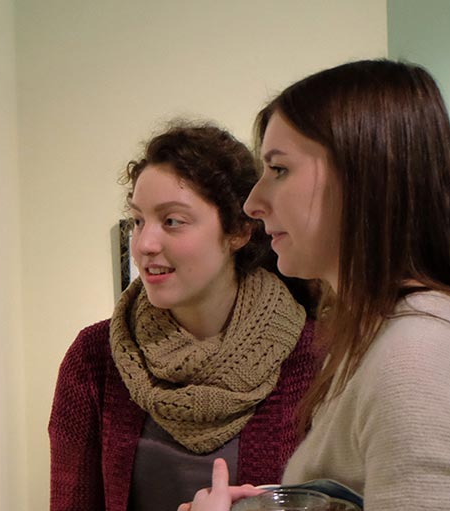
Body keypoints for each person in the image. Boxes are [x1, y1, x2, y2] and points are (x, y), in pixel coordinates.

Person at [182, 59, 450, 511]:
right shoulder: (383, 337)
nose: (254, 202)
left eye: (279, 170)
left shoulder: (421, 351)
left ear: (361, 174)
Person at [49, 122, 321, 511]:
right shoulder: (95, 358)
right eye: (139, 220)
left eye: (172, 221)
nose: (144, 244)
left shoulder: (316, 358)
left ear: (239, 231)